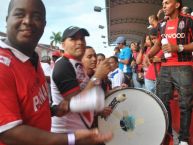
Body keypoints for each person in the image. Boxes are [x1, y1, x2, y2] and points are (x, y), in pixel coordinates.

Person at [0, 0, 112, 145]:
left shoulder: (31, 58)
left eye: (36, 17)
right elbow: (9, 133)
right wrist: (72, 139)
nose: (27, 21)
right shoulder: (3, 66)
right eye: (19, 14)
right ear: (7, 19)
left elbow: (31, 106)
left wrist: (53, 110)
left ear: (44, 25)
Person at [144, 0, 193, 144]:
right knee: (161, 103)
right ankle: (167, 136)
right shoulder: (161, 24)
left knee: (185, 105)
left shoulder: (188, 21)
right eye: (163, 3)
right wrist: (148, 55)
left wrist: (178, 48)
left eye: (167, 3)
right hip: (165, 68)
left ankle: (183, 140)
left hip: (184, 66)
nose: (163, 6)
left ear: (177, 5)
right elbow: (158, 44)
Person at [51, 26, 111, 133]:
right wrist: (97, 76)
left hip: (79, 131)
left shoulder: (78, 65)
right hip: (66, 133)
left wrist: (97, 110)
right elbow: (76, 102)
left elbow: (86, 94)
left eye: (82, 39)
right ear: (63, 44)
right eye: (73, 39)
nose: (79, 42)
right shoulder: (63, 65)